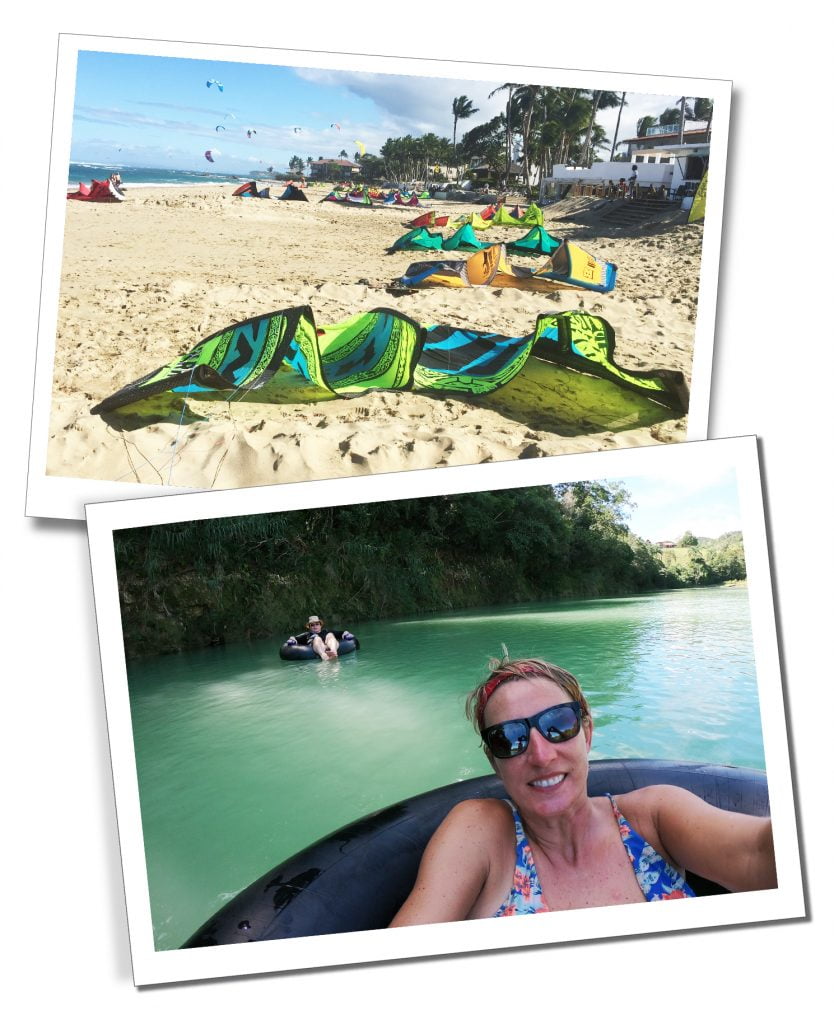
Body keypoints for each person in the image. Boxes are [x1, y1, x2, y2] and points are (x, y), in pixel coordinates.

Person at [389, 656, 776, 925]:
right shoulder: (483, 832)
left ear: (587, 733)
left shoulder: (655, 817)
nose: (541, 755)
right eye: (510, 739)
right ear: (495, 762)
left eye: (559, 724)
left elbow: (759, 854)